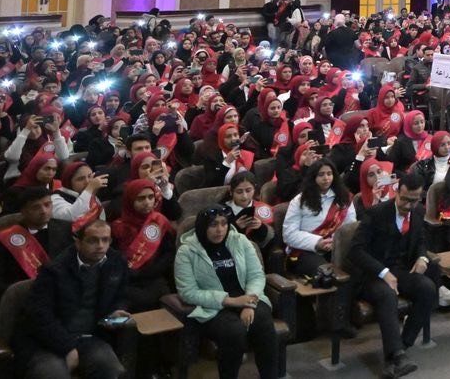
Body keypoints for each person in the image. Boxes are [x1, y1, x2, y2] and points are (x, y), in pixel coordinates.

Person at [346, 171, 442, 379]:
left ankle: (401, 347)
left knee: (427, 288)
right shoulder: (376, 213)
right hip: (371, 273)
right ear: (397, 191)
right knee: (387, 294)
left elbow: (421, 241)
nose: (408, 205)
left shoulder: (417, 212)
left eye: (414, 201)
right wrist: (383, 272)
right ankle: (396, 354)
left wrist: (422, 258)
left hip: (399, 269)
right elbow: (355, 251)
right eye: (405, 200)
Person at [12, 219, 129, 379]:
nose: (101, 246)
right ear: (78, 243)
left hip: (90, 337)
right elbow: (40, 317)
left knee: (111, 369)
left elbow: (121, 295)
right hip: (46, 341)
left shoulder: (116, 262)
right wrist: (67, 346)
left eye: (105, 240)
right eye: (93, 240)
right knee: (54, 374)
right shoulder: (54, 270)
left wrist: (117, 311)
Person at [174, 207, 279, 379]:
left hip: (248, 297)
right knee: (234, 331)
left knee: (262, 322)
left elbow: (256, 275)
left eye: (224, 224)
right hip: (213, 307)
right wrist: (230, 301)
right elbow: (188, 292)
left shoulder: (240, 240)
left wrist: (249, 303)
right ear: (202, 227)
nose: (220, 229)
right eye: (213, 225)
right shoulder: (187, 251)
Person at [0, 187, 73, 330]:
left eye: (47, 204)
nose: (44, 211)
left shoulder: (65, 230)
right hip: (19, 302)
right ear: (23, 211)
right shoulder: (2, 240)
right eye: (36, 207)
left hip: (59, 297)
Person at [110, 178, 177, 310]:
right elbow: (114, 257)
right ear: (130, 201)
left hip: (154, 277)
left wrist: (148, 273)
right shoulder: (118, 227)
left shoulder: (160, 221)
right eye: (140, 199)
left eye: (150, 197)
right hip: (127, 279)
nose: (147, 202)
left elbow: (168, 254)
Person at [281, 157, 355, 276]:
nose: (326, 178)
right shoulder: (300, 200)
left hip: (336, 247)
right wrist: (318, 242)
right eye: (321, 174)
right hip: (305, 251)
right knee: (328, 274)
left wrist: (334, 241)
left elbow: (349, 227)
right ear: (313, 177)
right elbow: (289, 234)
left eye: (329, 174)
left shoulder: (343, 197)